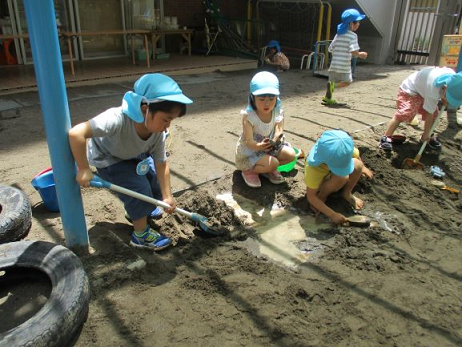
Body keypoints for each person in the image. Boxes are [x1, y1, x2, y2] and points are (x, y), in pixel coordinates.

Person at [68, 73, 193, 251]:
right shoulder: (116, 119)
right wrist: (83, 169)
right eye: (166, 119)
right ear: (145, 109)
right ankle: (140, 235)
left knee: (154, 186)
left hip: (134, 155)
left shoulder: (157, 133)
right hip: (109, 159)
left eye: (171, 121)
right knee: (138, 190)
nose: (168, 126)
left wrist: (167, 196)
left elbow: (161, 163)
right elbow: (76, 133)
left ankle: (137, 211)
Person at [235, 71, 296, 188]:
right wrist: (259, 146)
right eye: (261, 99)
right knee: (274, 163)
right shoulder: (249, 116)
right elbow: (249, 141)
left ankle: (268, 168)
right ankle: (250, 171)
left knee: (291, 155)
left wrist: (276, 138)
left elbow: (279, 129)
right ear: (253, 98)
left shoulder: (277, 112)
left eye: (271, 99)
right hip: (252, 151)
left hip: (269, 147)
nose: (267, 103)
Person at [379, 68, 462, 151]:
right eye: (448, 97)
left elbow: (432, 112)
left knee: (435, 115)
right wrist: (426, 133)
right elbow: (429, 113)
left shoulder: (455, 79)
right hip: (411, 90)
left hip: (424, 91)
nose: (448, 101)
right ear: (444, 88)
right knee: (406, 112)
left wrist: (427, 134)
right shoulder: (433, 89)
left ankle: (428, 136)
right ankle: (386, 137)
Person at [305, 129, 371, 224]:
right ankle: (322, 196)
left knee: (358, 164)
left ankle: (347, 193)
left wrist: (363, 167)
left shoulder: (343, 150)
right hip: (322, 181)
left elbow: (356, 155)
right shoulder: (313, 168)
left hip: (332, 174)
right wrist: (332, 214)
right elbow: (311, 196)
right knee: (342, 177)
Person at [322, 9, 368, 106]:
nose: (359, 24)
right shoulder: (353, 36)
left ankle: (327, 98)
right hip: (344, 65)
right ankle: (334, 86)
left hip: (334, 64)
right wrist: (360, 54)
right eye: (358, 22)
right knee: (347, 82)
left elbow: (330, 48)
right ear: (351, 24)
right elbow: (353, 50)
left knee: (330, 82)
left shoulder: (338, 34)